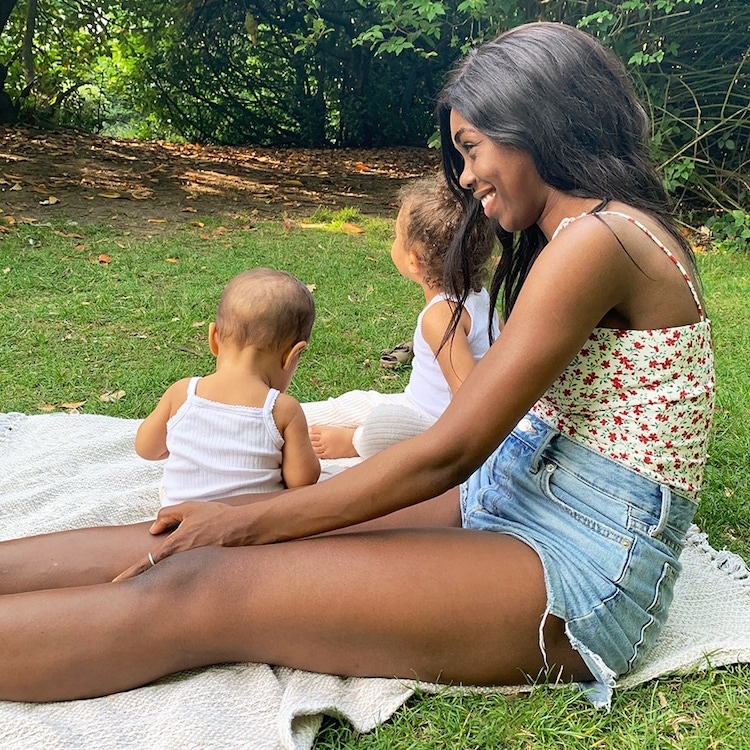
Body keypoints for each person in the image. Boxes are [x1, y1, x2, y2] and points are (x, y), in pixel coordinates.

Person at [0, 22, 715, 710]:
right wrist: (244, 519)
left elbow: (451, 449)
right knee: (205, 522)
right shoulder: (594, 233)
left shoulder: (599, 239)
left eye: (471, 149)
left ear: (537, 122)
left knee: (205, 583)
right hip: (512, 493)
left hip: (579, 568)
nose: (465, 178)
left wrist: (246, 529)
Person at [304, 174, 499, 460]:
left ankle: (354, 443)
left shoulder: (441, 317)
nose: (393, 242)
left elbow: (469, 401)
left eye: (397, 236)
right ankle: (285, 416)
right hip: (412, 403)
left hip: (433, 425)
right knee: (359, 402)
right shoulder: (481, 297)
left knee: (384, 423)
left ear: (413, 260)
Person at [135, 267, 320, 503]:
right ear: (292, 355)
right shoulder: (283, 410)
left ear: (213, 338)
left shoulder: (182, 393)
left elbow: (146, 448)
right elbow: (302, 482)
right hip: (251, 530)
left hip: (182, 525)